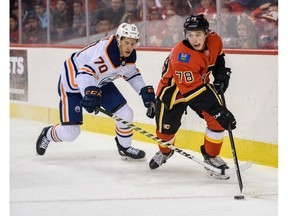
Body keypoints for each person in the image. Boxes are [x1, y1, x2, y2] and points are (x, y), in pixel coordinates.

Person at [36, 23, 156, 161]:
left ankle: (124, 147)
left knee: (125, 113)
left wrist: (144, 93)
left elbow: (131, 74)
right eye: (127, 42)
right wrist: (89, 93)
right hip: (72, 84)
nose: (130, 47)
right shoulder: (105, 54)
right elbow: (83, 74)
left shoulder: (128, 55)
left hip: (97, 82)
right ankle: (48, 134)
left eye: (133, 43)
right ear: (118, 39)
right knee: (70, 133)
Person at [149, 14, 236, 180]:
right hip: (173, 92)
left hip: (199, 85)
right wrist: (218, 110)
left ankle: (211, 157)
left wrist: (221, 75)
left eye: (198, 34)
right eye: (189, 34)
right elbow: (193, 92)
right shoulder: (182, 57)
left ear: (206, 33)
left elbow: (218, 58)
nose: (194, 39)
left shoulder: (215, 40)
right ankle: (164, 152)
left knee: (217, 121)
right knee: (165, 134)